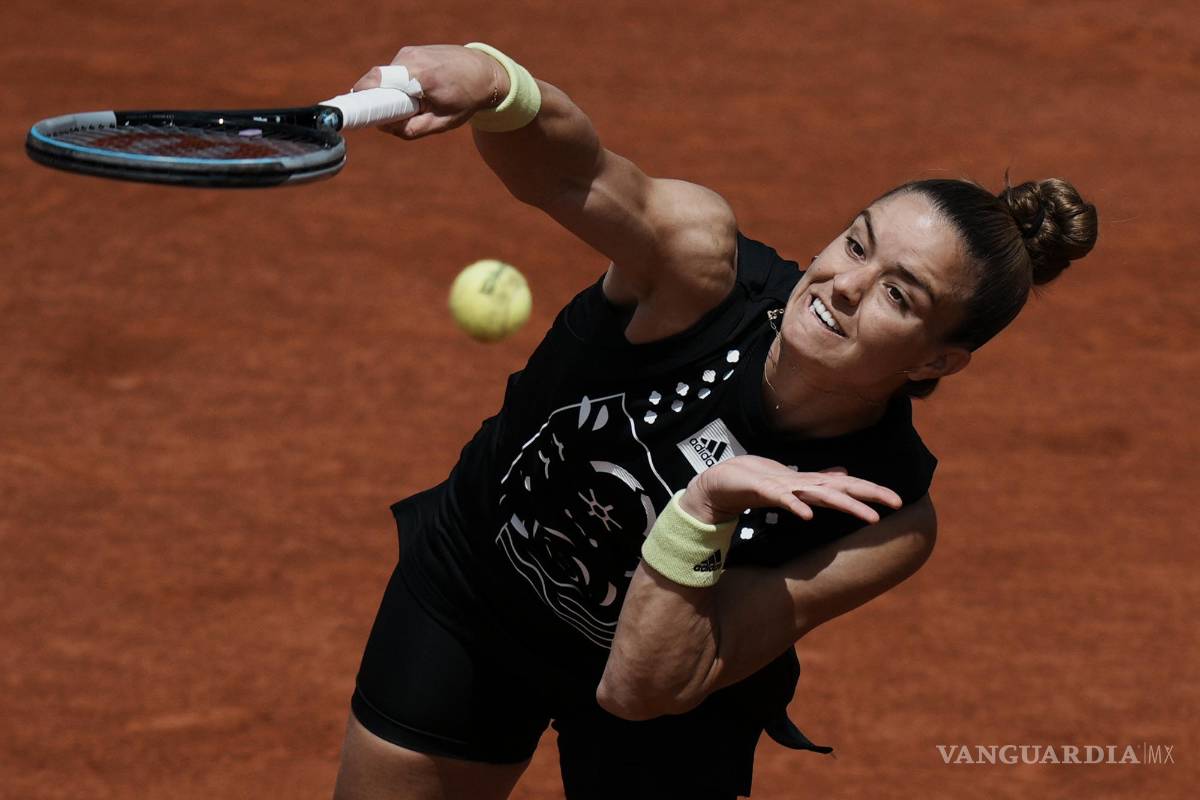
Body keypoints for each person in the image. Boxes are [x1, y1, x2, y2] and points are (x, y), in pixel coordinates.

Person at [331, 44, 1098, 800]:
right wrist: (501, 86)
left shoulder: (885, 516)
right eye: (856, 244)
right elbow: (575, 174)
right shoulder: (699, 270)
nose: (845, 285)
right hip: (482, 585)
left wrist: (701, 513)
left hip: (671, 698)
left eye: (899, 295)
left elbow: (639, 690)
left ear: (936, 362)